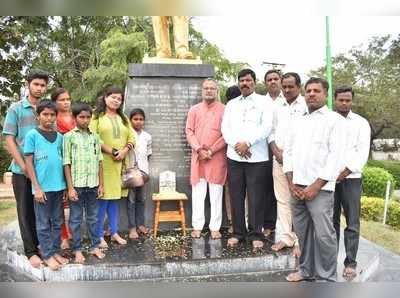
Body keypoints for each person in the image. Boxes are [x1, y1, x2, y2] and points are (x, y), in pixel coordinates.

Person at [283, 77, 346, 282]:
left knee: (324, 234)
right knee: (302, 233)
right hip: (297, 187)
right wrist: (291, 181)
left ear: (325, 94)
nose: (311, 94)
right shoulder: (298, 119)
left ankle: (327, 277)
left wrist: (316, 186)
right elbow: (289, 151)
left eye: (316, 90)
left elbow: (335, 157)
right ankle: (306, 270)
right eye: (308, 90)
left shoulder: (334, 120)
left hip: (320, 189)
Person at [221, 69, 273, 249]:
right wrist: (237, 146)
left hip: (256, 157)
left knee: (256, 196)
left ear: (254, 82)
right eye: (241, 80)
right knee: (236, 195)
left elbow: (266, 127)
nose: (245, 83)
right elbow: (225, 128)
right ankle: (238, 233)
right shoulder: (231, 104)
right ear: (238, 83)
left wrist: (248, 143)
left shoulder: (264, 102)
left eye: (248, 80)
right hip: (234, 156)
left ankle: (256, 233)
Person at [2, 69, 49, 268]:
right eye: (36, 84)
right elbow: (9, 139)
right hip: (22, 172)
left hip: (45, 170)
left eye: (43, 85)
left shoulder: (48, 109)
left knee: (44, 210)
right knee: (26, 211)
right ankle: (31, 251)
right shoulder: (16, 108)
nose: (39, 88)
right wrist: (23, 166)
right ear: (28, 84)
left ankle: (44, 246)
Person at [23, 100, 69, 271]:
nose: (49, 118)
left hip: (58, 188)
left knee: (57, 221)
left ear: (56, 116)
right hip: (42, 190)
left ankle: (55, 251)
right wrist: (37, 188)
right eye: (45, 114)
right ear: (38, 116)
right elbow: (28, 163)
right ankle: (47, 254)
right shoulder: (32, 135)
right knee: (43, 223)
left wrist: (64, 186)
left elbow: (63, 163)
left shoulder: (60, 138)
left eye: (52, 115)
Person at [90, 86, 135, 248]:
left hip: (120, 165)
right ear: (105, 97)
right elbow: (92, 137)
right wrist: (113, 151)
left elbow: (132, 137)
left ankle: (114, 232)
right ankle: (99, 235)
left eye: (119, 99)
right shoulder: (97, 117)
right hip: (103, 163)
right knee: (103, 199)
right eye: (113, 97)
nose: (116, 101)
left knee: (115, 200)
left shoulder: (123, 118)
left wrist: (124, 150)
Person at [333, 85, 371, 280]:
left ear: (352, 101)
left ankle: (350, 262)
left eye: (348, 100)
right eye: (341, 99)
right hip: (328, 179)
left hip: (352, 179)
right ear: (334, 99)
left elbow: (362, 152)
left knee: (352, 222)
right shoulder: (327, 121)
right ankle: (330, 260)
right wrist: (331, 174)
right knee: (331, 223)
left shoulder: (361, 123)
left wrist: (345, 171)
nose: (344, 103)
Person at [268, 72, 307, 256]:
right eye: (285, 86)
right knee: (282, 199)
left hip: (300, 161)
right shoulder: (277, 107)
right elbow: (271, 132)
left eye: (291, 86)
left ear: (299, 87)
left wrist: (293, 156)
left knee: (299, 200)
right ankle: (286, 237)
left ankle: (301, 241)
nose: (287, 90)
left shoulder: (307, 106)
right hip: (279, 159)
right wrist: (276, 151)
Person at [63, 102, 106, 264]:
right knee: (75, 218)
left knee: (93, 218)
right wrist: (70, 187)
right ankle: (77, 249)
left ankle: (95, 246)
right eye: (82, 117)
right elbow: (66, 163)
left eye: (88, 117)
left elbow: (100, 161)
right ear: (74, 118)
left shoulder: (95, 137)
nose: (85, 120)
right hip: (77, 186)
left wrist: (101, 184)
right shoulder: (69, 137)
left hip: (93, 185)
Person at [186, 78, 227, 239]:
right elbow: (189, 131)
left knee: (216, 194)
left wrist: (211, 150)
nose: (209, 90)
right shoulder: (194, 110)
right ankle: (197, 226)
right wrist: (198, 149)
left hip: (216, 157)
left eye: (212, 88)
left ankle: (215, 227)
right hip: (199, 158)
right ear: (202, 91)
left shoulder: (224, 110)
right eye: (206, 88)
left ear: (217, 91)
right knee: (198, 193)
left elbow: (226, 134)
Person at [51, 88, 75, 250]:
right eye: (62, 100)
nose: (66, 102)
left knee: (76, 201)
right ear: (54, 102)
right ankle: (63, 236)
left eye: (68, 99)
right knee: (61, 202)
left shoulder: (76, 116)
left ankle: (75, 232)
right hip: (60, 165)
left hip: (78, 164)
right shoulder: (52, 119)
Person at [263, 70, 283, 237]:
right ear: (265, 83)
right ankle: (268, 224)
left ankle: (286, 226)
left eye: (276, 78)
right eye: (269, 79)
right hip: (264, 149)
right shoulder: (261, 102)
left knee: (286, 188)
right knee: (267, 188)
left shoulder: (289, 101)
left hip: (285, 151)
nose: (273, 81)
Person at [126, 108, 152, 239]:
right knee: (131, 200)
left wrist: (144, 171)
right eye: (135, 119)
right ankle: (132, 228)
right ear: (130, 120)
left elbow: (148, 155)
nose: (138, 122)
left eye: (141, 119)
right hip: (131, 172)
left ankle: (141, 224)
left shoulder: (147, 136)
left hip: (143, 173)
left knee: (141, 199)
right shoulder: (128, 134)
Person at [223, 85, 242, 233]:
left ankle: (233, 222)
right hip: (233, 155)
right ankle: (239, 221)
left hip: (232, 156)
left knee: (232, 191)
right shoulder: (227, 110)